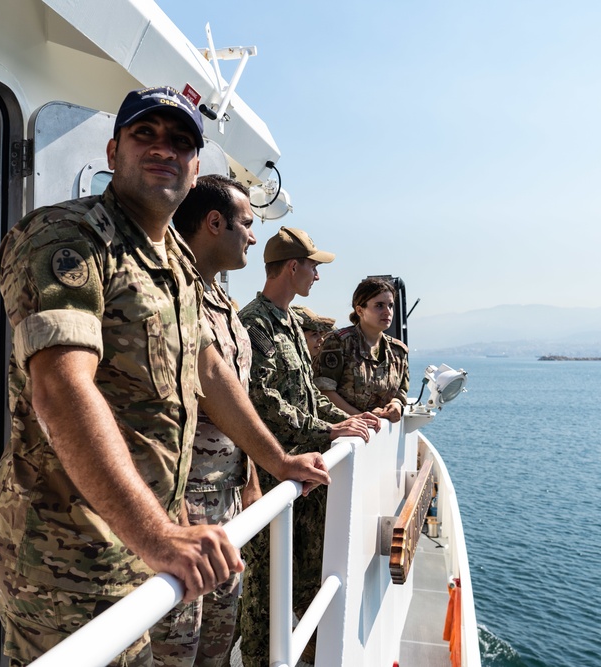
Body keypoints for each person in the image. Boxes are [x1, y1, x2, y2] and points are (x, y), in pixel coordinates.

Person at [0, 87, 330, 667]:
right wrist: (157, 535)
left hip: (144, 541)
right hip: (67, 553)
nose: (163, 149)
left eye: (181, 141)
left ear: (196, 171)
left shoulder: (173, 257)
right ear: (114, 149)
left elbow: (208, 369)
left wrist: (276, 462)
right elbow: (62, 387)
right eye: (146, 134)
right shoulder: (68, 238)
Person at [236, 227, 381, 667]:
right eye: (314, 266)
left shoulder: (290, 323)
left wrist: (345, 420)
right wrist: (327, 431)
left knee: (302, 579)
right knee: (264, 592)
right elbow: (263, 402)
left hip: (302, 477)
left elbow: (304, 394)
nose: (317, 276)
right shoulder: (254, 323)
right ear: (293, 266)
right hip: (268, 475)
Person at [166, 173, 263, 666]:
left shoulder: (223, 303)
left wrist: (250, 479)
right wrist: (175, 516)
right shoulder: (170, 292)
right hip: (185, 512)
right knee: (175, 649)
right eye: (247, 223)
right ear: (213, 222)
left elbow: (233, 400)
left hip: (226, 508)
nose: (252, 235)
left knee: (218, 646)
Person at [314, 277, 410, 423]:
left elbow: (401, 391)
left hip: (378, 435)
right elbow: (324, 391)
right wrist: (361, 418)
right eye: (379, 305)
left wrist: (396, 404)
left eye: (390, 305)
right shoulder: (339, 342)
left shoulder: (398, 351)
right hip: (343, 433)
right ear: (360, 310)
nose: (387, 311)